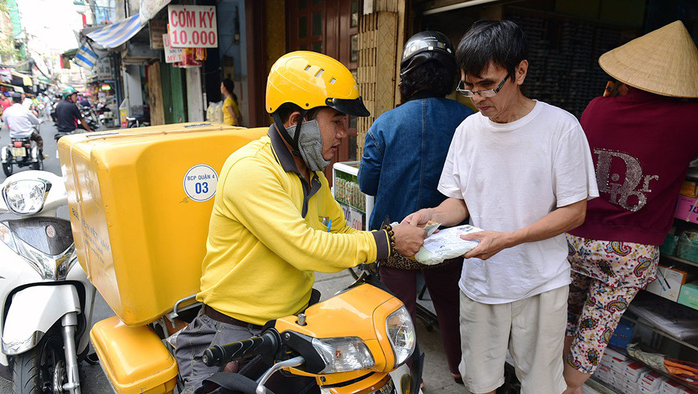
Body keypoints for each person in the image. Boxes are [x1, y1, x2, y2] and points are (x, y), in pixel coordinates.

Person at [173, 51, 427, 393]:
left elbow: (341, 233)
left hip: (291, 325)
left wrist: (393, 244)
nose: (345, 134)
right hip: (232, 333)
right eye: (336, 121)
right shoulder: (252, 170)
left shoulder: (313, 178)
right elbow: (303, 247)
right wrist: (387, 241)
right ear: (295, 120)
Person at [404, 20, 599, 394]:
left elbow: (575, 212)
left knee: (542, 384)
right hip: (481, 281)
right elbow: (459, 201)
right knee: (481, 380)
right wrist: (434, 216)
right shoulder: (468, 131)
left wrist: (508, 239)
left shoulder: (561, 128)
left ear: (520, 71)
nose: (478, 97)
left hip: (541, 281)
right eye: (469, 86)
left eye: (488, 85)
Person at [562, 20, 698, 394]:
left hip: (577, 238)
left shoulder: (596, 108)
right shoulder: (690, 120)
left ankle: (551, 380)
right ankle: (571, 389)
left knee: (567, 317)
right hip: (630, 253)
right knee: (596, 327)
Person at [358, 30, 474, 385]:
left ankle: (413, 376)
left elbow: (366, 184)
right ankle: (459, 368)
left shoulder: (385, 124)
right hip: (449, 238)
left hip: (395, 236)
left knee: (399, 312)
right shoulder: (470, 120)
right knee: (451, 308)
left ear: (406, 77)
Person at [2, 92, 45, 158]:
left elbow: (6, 122)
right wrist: (40, 121)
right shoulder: (26, 110)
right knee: (39, 139)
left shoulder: (7, 111)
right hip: (27, 134)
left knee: (13, 143)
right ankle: (40, 154)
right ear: (22, 101)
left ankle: (15, 155)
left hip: (14, 136)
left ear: (12, 101)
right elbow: (35, 121)